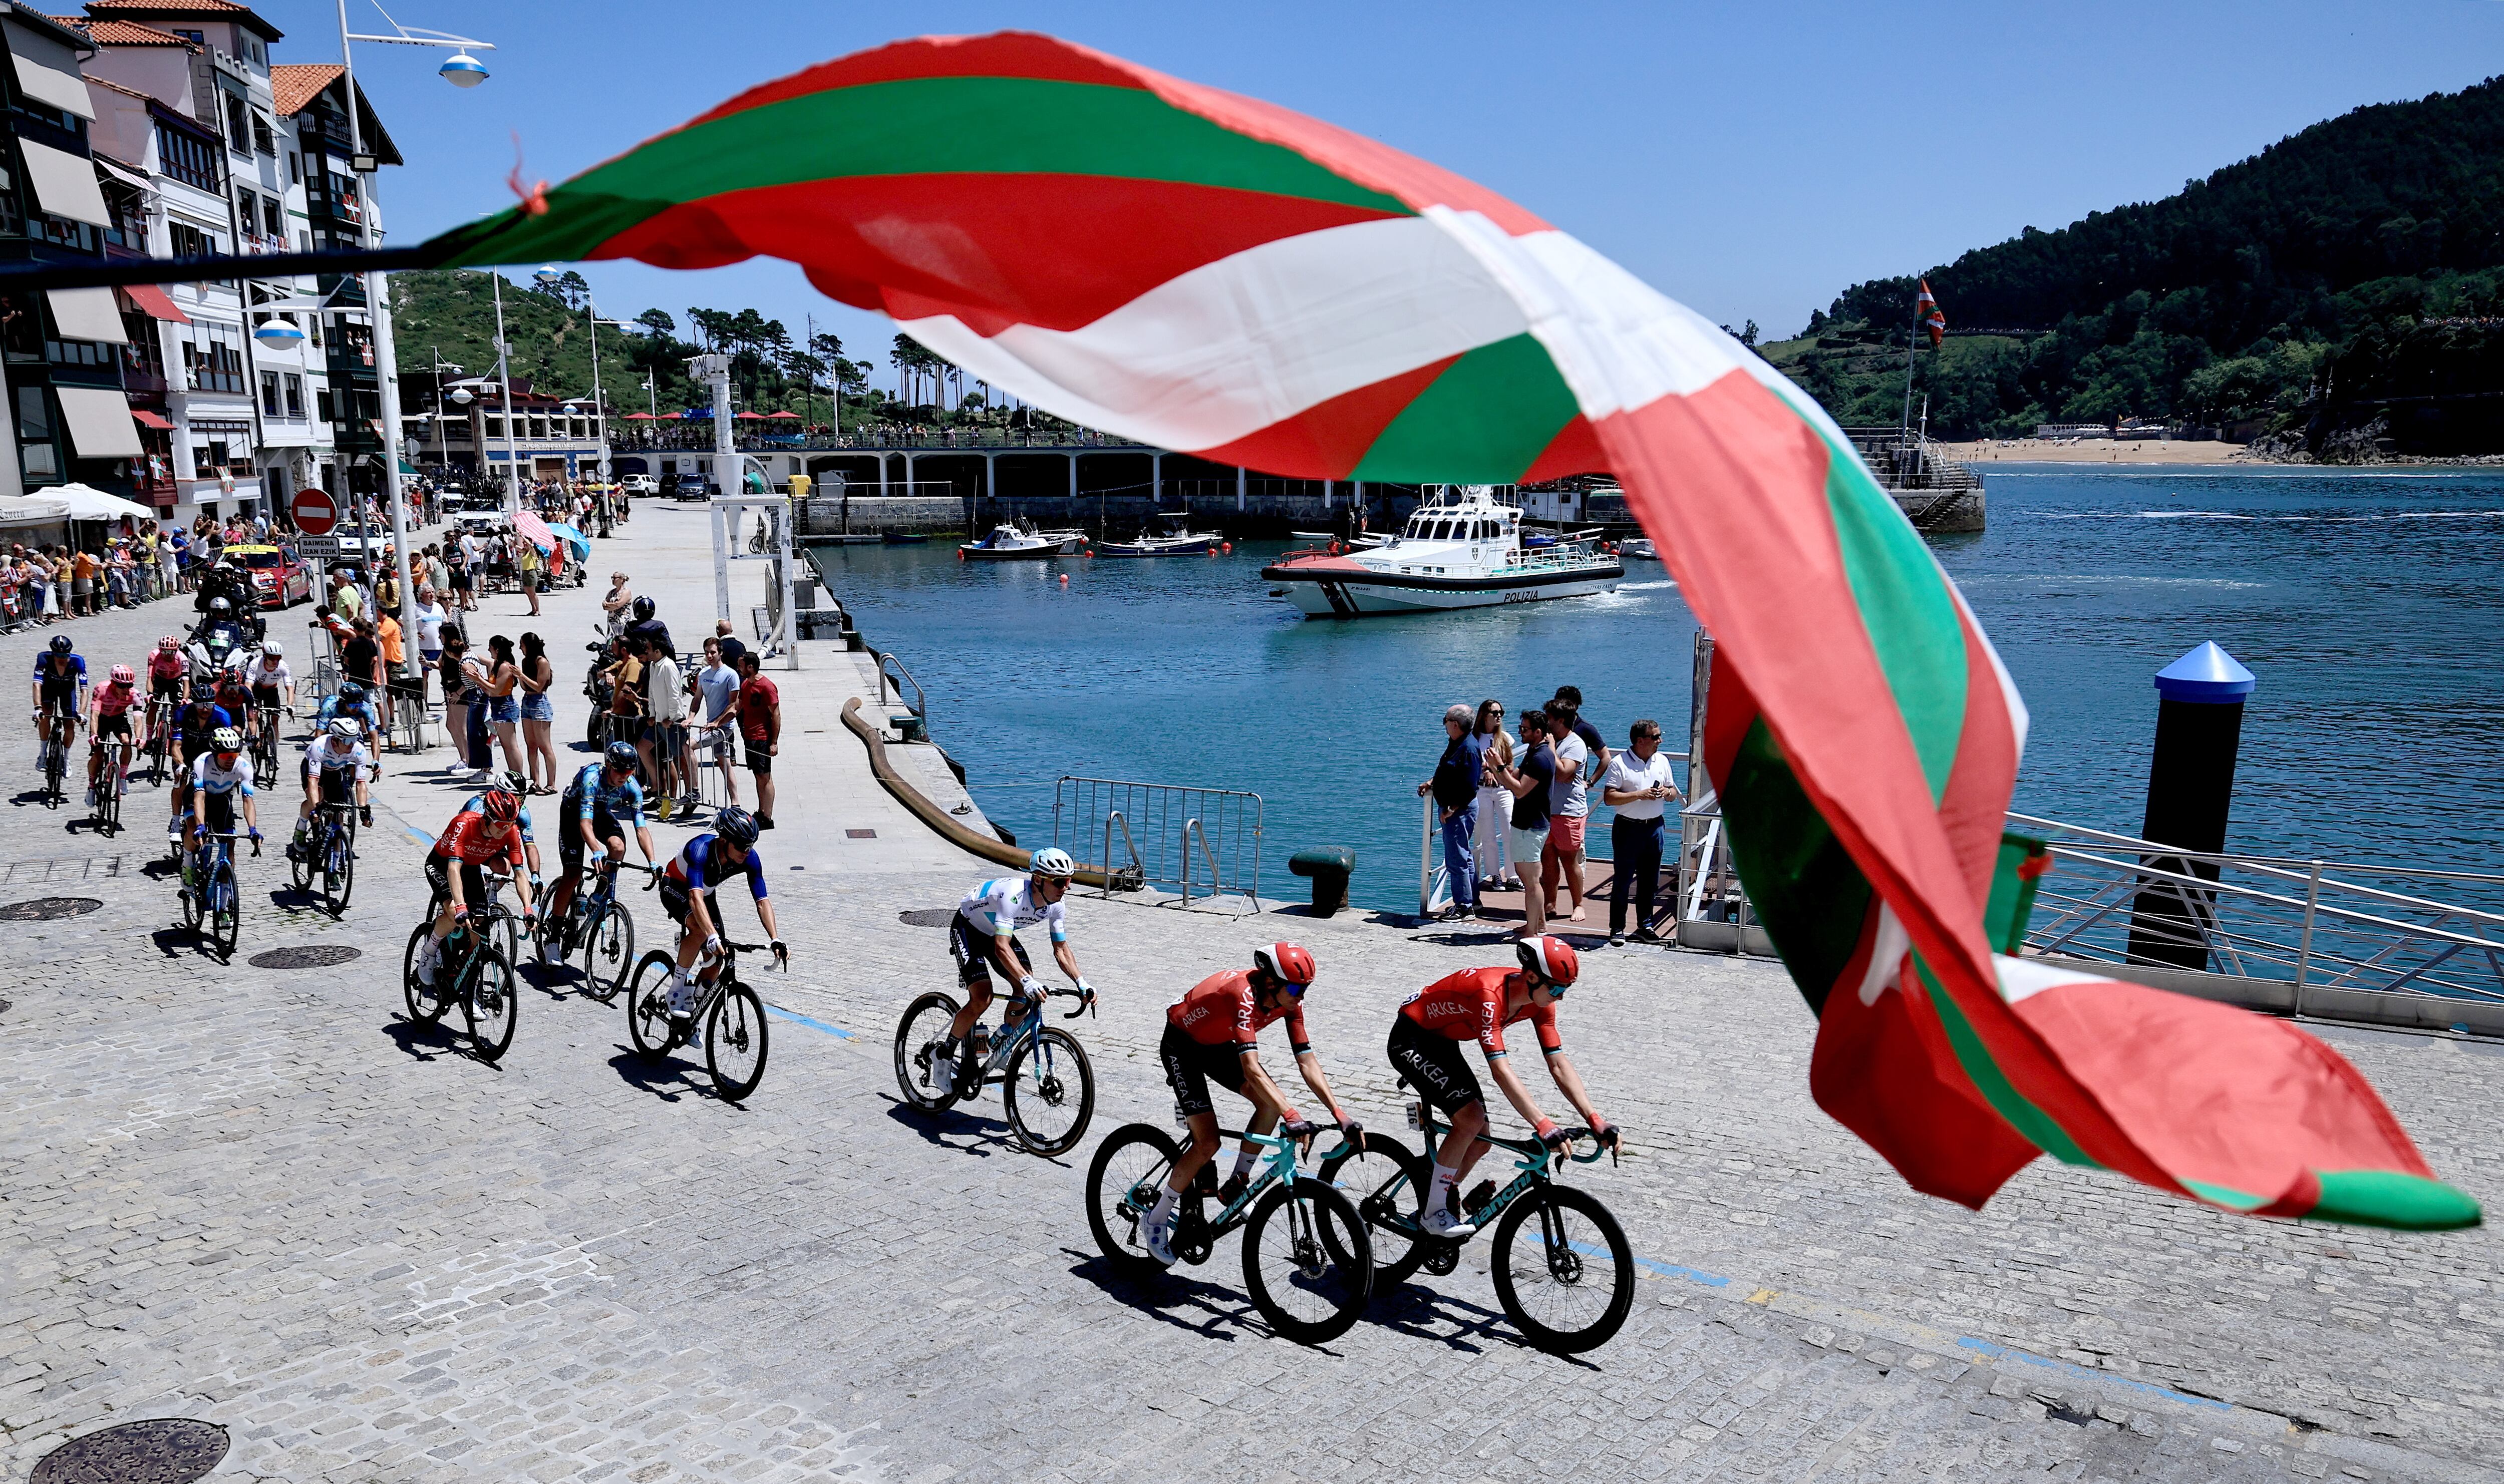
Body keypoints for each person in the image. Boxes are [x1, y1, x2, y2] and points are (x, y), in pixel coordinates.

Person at [1138, 943, 1358, 1265]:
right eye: (1298, 987)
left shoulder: (1289, 1001)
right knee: (1208, 1143)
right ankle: (1155, 1219)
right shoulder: (1242, 996)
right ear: (1272, 983)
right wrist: (1292, 1114)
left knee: (1268, 1105)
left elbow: (1307, 1061)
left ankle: (1237, 1183)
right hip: (1181, 1045)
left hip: (1215, 1044)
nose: (1302, 995)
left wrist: (1339, 1113)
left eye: (1307, 988)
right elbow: (1252, 1069)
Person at [1386, 936, 1617, 1237]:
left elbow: (1558, 1064)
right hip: (1412, 1039)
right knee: (1470, 1120)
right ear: (1532, 977)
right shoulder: (1489, 995)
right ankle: (1433, 1213)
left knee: (1481, 1142)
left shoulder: (1540, 1001)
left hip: (1444, 1042)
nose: (1560, 998)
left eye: (1566, 990)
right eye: (1557, 989)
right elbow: (1500, 1070)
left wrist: (1595, 1119)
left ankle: (1443, 1195)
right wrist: (1543, 1124)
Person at [929, 849, 1095, 1097]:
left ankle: (1000, 1046)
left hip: (996, 931)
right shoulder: (1014, 896)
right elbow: (1001, 947)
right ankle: (943, 1054)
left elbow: (1061, 949)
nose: (1066, 888)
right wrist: (1027, 980)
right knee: (983, 997)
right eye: (1060, 882)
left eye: (1069, 881)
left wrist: (1082, 982)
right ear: (1038, 880)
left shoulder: (1056, 905)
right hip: (968, 928)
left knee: (1027, 991)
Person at [653, 806, 786, 1030]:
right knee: (699, 931)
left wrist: (775, 938)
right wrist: (711, 935)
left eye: (750, 845)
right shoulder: (700, 850)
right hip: (675, 886)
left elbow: (762, 901)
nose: (747, 851)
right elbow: (695, 899)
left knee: (717, 961)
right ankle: (676, 990)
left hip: (705, 893)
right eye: (742, 846)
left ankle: (690, 1008)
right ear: (724, 840)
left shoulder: (749, 858)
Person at [413, 786, 536, 988]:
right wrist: (461, 906)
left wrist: (528, 909)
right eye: (501, 825)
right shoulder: (465, 824)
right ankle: (430, 949)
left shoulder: (510, 831)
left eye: (510, 824)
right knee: (454, 911)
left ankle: (464, 973)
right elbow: (453, 869)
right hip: (442, 864)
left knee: (481, 924)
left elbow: (520, 874)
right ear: (488, 818)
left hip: (470, 867)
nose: (506, 830)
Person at [540, 741, 660, 937]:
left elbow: (641, 828)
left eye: (629, 771)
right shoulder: (592, 779)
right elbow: (585, 824)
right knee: (573, 874)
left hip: (600, 812)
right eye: (620, 770)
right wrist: (596, 850)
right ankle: (554, 929)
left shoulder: (632, 787)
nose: (624, 776)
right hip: (574, 814)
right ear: (609, 765)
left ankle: (598, 894)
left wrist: (653, 862)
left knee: (618, 848)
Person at [1601, 719, 1682, 945]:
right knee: (1623, 880)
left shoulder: (1662, 761)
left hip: (1655, 827)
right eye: (1655, 737)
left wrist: (1666, 792)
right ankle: (1617, 928)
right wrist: (1639, 794)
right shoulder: (1619, 764)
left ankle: (1645, 926)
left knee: (1650, 880)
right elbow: (1609, 798)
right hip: (1628, 827)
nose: (1660, 740)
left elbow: (1673, 792)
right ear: (1640, 741)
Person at [1418, 702, 1485, 921]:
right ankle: (1472, 900)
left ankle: (1464, 907)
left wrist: (1450, 809)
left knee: (1456, 860)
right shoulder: (1458, 743)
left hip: (1460, 811)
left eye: (1445, 721)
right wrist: (1433, 782)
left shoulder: (1467, 748)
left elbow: (1469, 786)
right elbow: (1448, 770)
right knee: (1464, 858)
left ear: (1455, 724)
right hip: (1459, 809)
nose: (1444, 725)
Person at [180, 725, 260, 902]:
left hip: (221, 800)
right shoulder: (202, 762)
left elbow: (248, 801)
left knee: (230, 843)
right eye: (226, 756)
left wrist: (253, 829)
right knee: (193, 828)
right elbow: (199, 798)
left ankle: (224, 902)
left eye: (234, 755)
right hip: (198, 796)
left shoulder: (245, 766)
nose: (231, 760)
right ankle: (187, 866)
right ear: (216, 753)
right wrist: (200, 826)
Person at [1495, 707, 1555, 940]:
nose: (1520, 732)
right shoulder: (1535, 751)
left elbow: (1519, 791)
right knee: (1529, 878)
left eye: (1525, 729)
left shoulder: (1541, 758)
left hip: (1530, 826)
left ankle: (1534, 930)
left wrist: (1499, 768)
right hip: (1529, 824)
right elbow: (1515, 777)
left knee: (1531, 881)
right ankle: (1537, 924)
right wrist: (1497, 767)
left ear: (1538, 732)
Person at [289, 717, 374, 860]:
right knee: (317, 799)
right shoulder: (320, 746)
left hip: (335, 772)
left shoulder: (358, 750)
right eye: (347, 741)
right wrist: (316, 807)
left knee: (338, 816)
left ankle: (334, 867)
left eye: (354, 739)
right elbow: (313, 781)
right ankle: (301, 829)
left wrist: (363, 810)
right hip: (316, 771)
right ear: (335, 740)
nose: (352, 745)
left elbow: (361, 784)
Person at [1541, 700, 1591, 924]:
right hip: (1547, 811)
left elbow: (1564, 774)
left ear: (1560, 720)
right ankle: (1549, 905)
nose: (1546, 722)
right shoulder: (1550, 741)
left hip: (1568, 812)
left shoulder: (1575, 744)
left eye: (1549, 718)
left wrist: (1551, 748)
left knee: (1570, 862)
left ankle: (1578, 904)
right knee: (1548, 861)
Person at [1471, 700, 1518, 895]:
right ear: (1484, 715)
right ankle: (1494, 875)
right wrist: (1485, 771)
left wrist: (1493, 770)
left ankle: (1512, 875)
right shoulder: (1474, 739)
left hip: (1503, 790)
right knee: (1488, 836)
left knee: (1510, 832)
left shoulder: (1504, 739)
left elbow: (1510, 766)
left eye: (1501, 712)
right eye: (1494, 713)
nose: (1499, 716)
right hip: (1482, 790)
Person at [691, 636, 743, 809]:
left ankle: (694, 790)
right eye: (707, 653)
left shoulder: (730, 675)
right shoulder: (703, 674)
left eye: (713, 652)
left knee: (688, 745)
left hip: (723, 728)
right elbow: (697, 699)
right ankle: (736, 803)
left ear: (720, 653)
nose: (710, 656)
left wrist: (717, 722)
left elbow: (732, 706)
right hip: (710, 726)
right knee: (724, 762)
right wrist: (691, 717)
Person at [731, 649, 779, 829]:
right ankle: (761, 811)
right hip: (750, 737)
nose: (739, 669)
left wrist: (773, 743)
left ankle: (768, 817)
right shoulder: (745, 685)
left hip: (762, 738)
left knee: (765, 777)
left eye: (741, 666)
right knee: (759, 776)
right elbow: (737, 708)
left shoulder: (767, 686)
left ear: (750, 667)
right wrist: (718, 721)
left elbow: (776, 715)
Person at [84, 663, 140, 810]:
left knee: (127, 742)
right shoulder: (102, 689)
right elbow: (94, 715)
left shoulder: (135, 695)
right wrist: (94, 735)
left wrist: (139, 738)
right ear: (113, 684)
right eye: (122, 686)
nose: (126, 689)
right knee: (99, 755)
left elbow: (138, 720)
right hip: (101, 720)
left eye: (130, 685)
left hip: (118, 718)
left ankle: (122, 777)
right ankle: (91, 787)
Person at [641, 633, 686, 811]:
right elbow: (652, 692)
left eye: (649, 649)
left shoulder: (669, 667)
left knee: (672, 760)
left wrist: (672, 718)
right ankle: (659, 789)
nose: (647, 652)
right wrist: (652, 714)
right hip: (658, 720)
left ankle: (673, 800)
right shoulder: (654, 666)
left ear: (658, 651)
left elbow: (675, 695)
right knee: (642, 748)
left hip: (671, 722)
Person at [31, 634, 87, 776]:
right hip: (49, 688)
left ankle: (66, 759)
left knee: (70, 725)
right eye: (58, 655)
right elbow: (37, 684)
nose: (62, 658)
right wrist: (38, 708)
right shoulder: (44, 658)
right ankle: (43, 754)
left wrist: (81, 713)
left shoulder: (78, 661)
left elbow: (84, 691)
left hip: (68, 691)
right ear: (53, 653)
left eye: (65, 655)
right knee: (45, 714)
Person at [516, 632, 558, 793]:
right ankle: (536, 781)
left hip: (540, 704)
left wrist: (521, 676)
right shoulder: (526, 661)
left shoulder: (542, 662)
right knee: (531, 745)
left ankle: (551, 784)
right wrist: (519, 677)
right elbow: (526, 687)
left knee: (545, 746)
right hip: (527, 702)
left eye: (522, 644)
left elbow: (539, 686)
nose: (520, 648)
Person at [480, 634, 526, 779]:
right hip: (498, 707)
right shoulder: (498, 665)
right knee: (506, 746)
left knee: (511, 745)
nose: (489, 650)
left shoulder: (505, 666)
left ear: (498, 649)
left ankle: (519, 776)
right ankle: (513, 774)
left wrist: (478, 679)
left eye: (491, 647)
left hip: (505, 707)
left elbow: (496, 689)